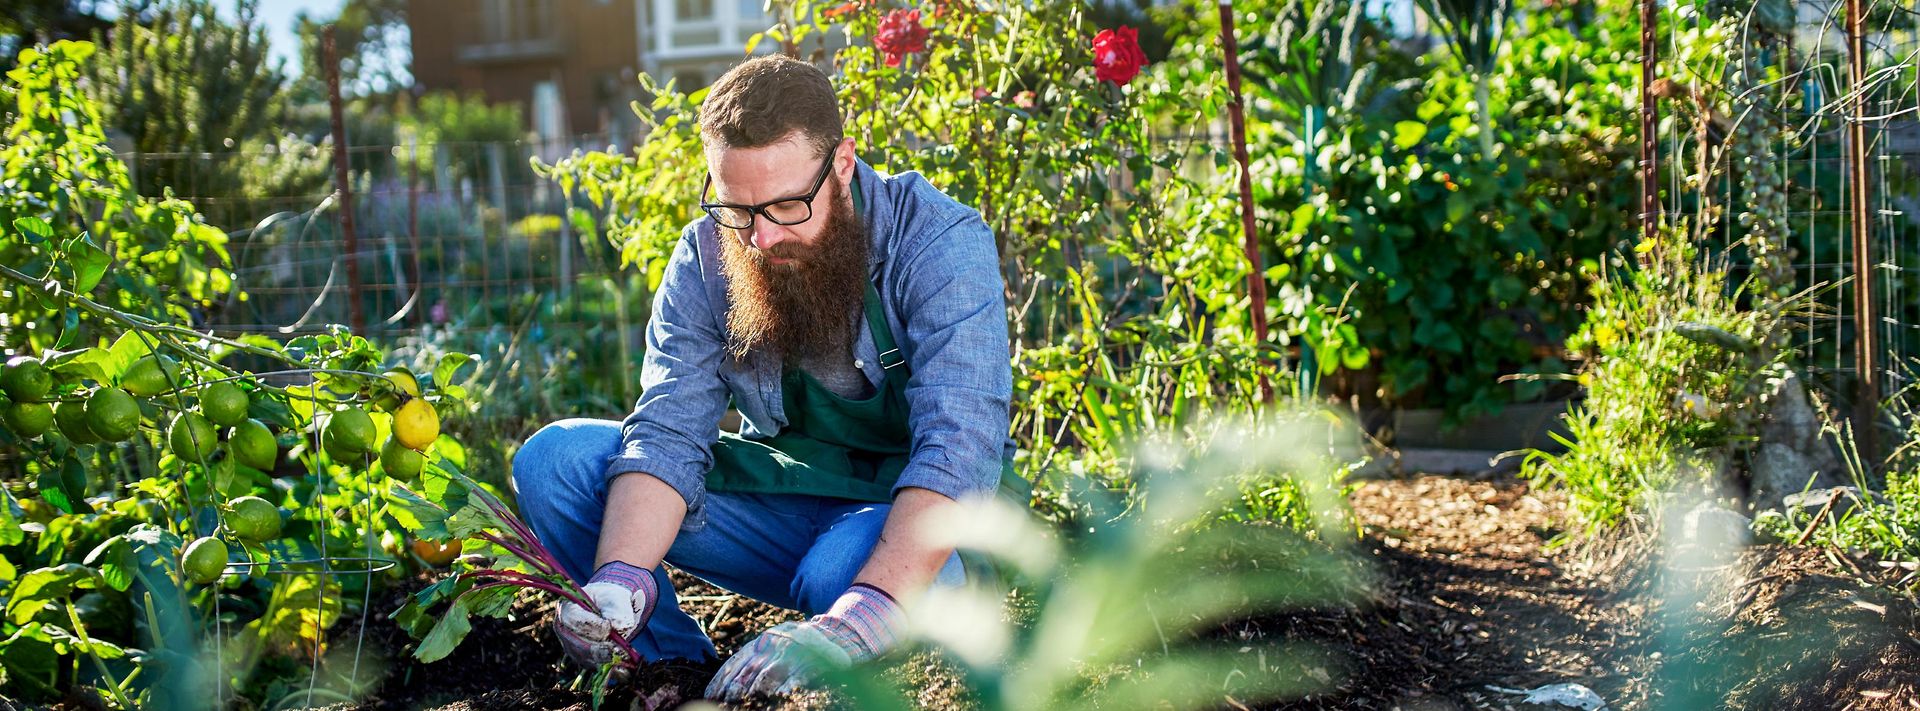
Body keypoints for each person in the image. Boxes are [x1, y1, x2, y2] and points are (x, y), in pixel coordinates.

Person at [509, 54, 1028, 702]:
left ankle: (862, 639)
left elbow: (960, 449)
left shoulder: (937, 241)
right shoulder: (708, 257)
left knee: (838, 573)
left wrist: (856, 618)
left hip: (915, 526)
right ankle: (665, 667)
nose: (759, 238)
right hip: (792, 496)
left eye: (786, 206)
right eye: (736, 209)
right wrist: (617, 579)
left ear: (842, 163)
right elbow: (668, 431)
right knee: (556, 463)